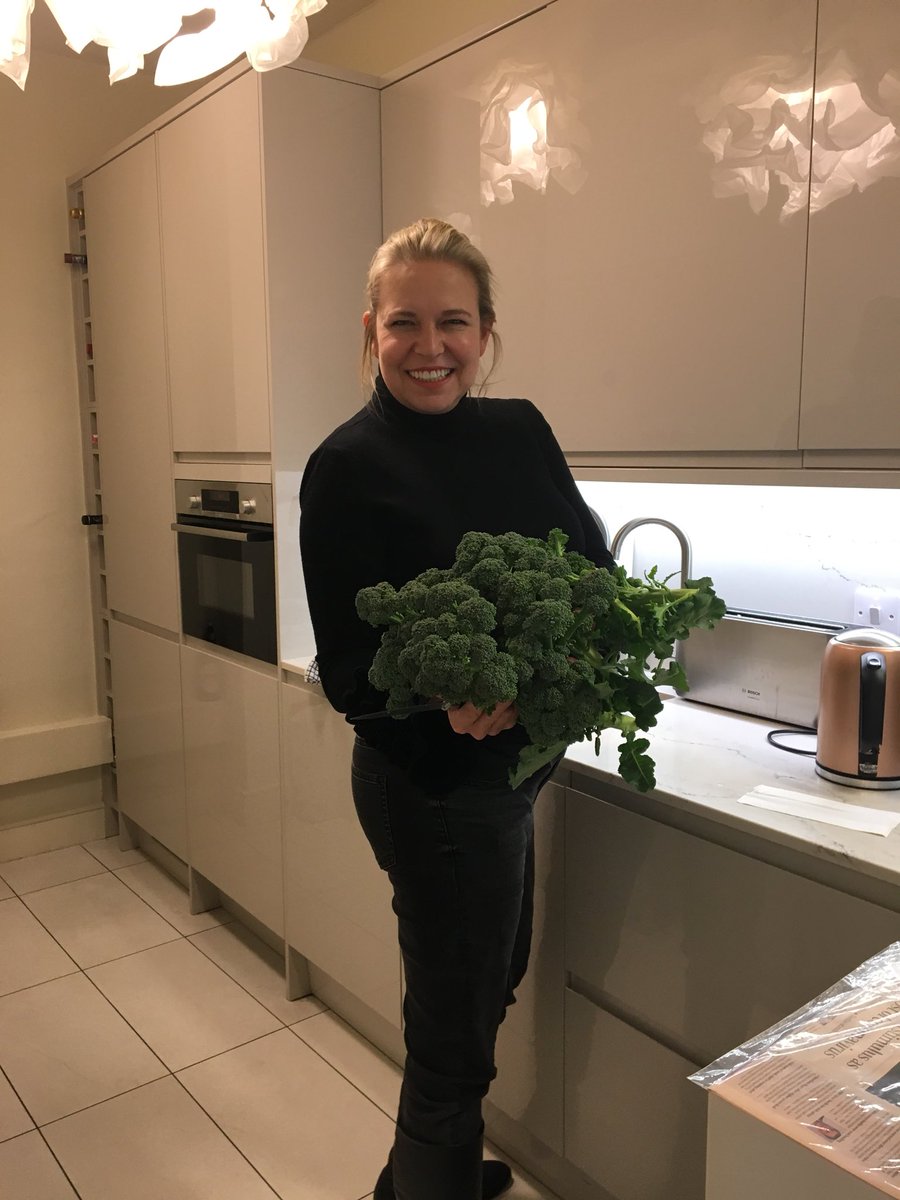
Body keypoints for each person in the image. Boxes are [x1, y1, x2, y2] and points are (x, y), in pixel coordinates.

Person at [299, 218, 614, 1200]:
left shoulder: (518, 430)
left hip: (511, 771)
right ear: (370, 332)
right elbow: (348, 668)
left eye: (452, 322)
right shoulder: (345, 466)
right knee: (456, 1034)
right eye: (404, 324)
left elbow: (592, 572)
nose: (429, 346)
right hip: (430, 785)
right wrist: (445, 695)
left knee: (482, 989)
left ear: (485, 331)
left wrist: (549, 660)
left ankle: (418, 1183)